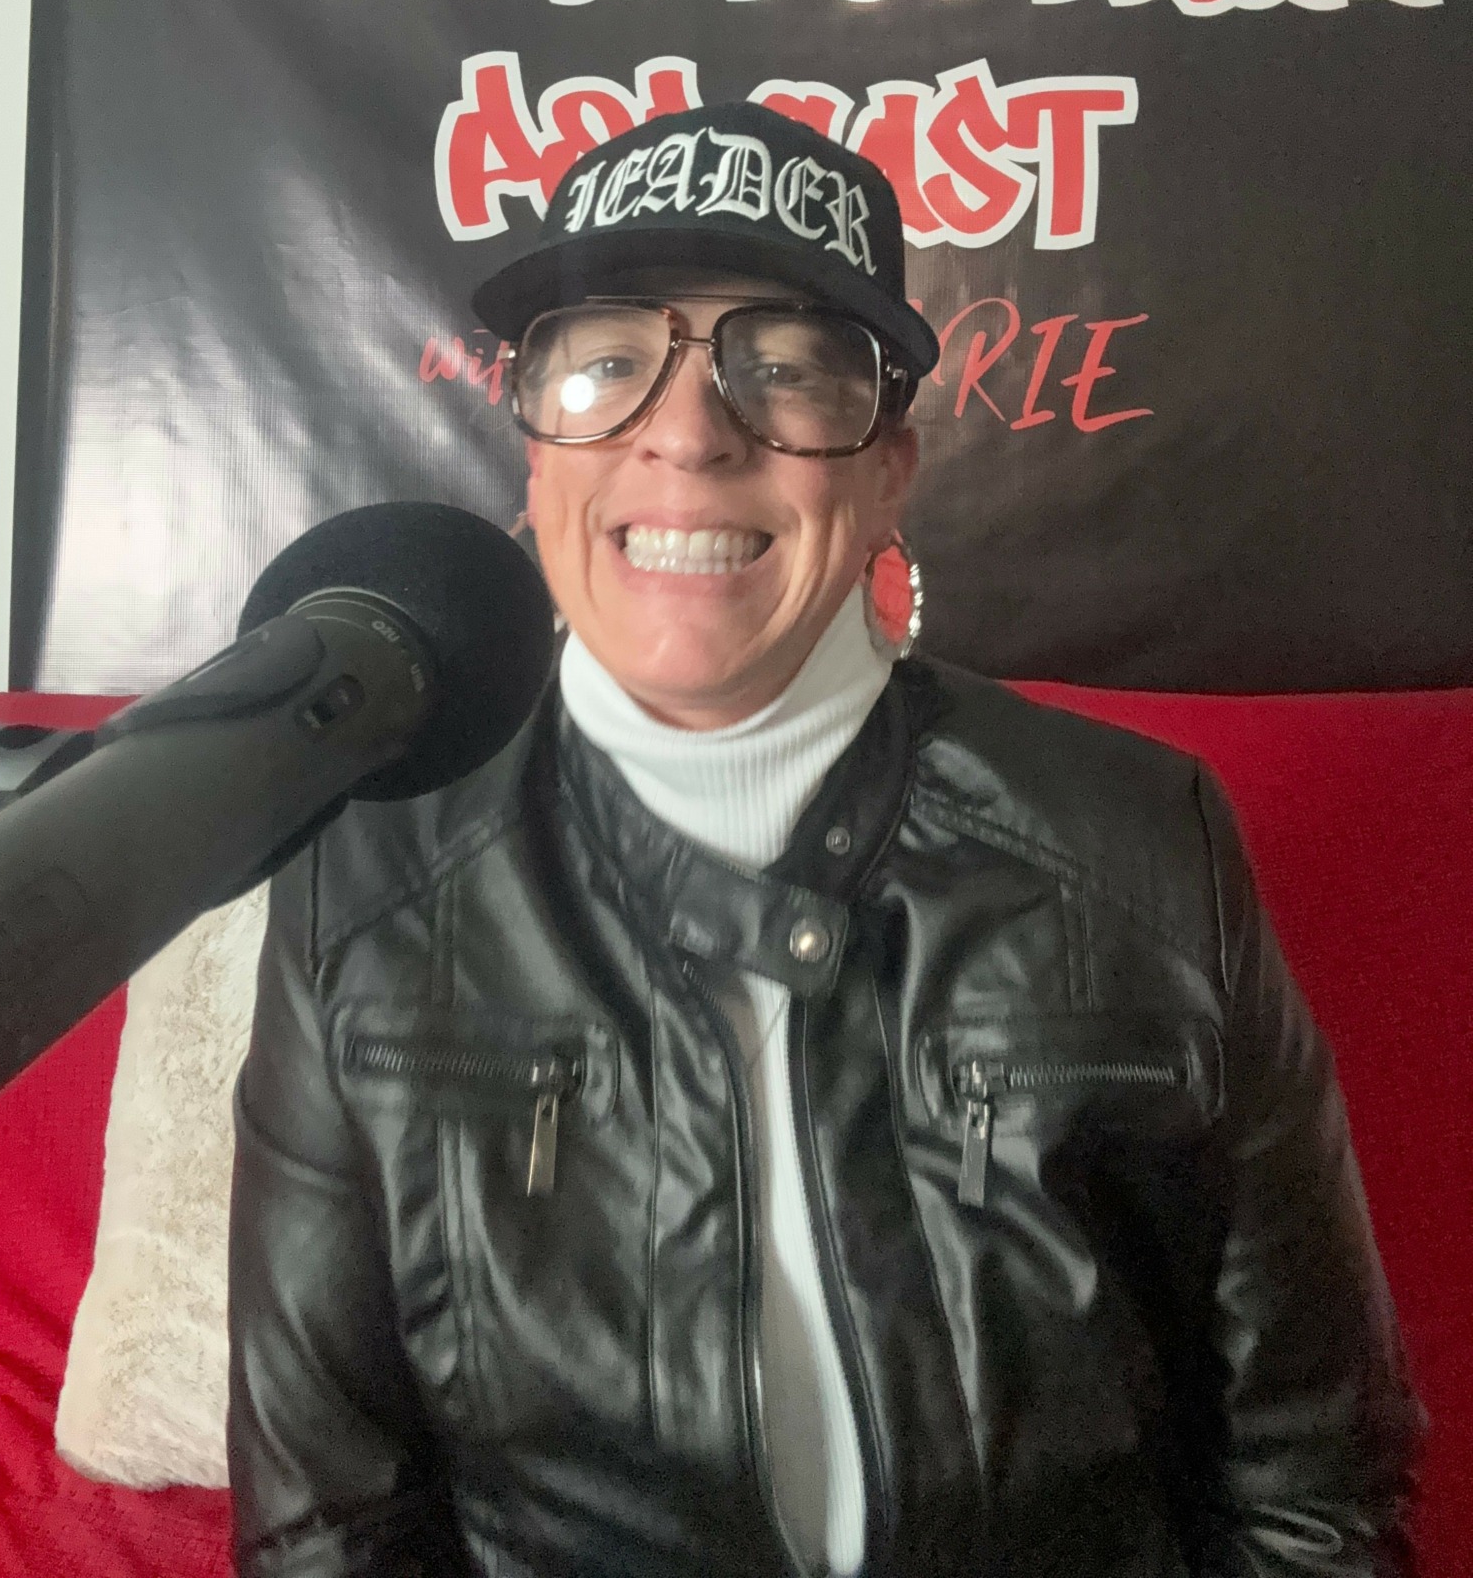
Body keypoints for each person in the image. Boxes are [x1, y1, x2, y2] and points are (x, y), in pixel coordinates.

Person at [227, 102, 1421, 1577]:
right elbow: (327, 1526)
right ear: (533, 450)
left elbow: (1313, 1488)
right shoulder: (362, 877)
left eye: (784, 369)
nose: (687, 433)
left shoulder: (1145, 847)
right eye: (607, 363)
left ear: (887, 471)